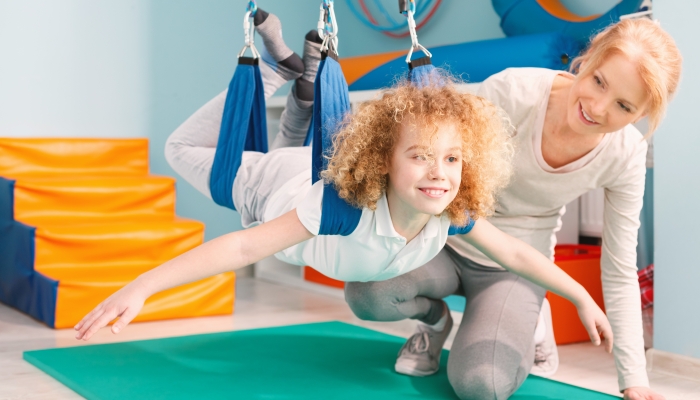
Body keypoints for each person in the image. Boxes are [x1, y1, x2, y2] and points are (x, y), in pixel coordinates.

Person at [73, 11, 613, 368]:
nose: (439, 173)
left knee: (293, 149)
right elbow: (241, 246)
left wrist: (580, 294)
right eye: (420, 156)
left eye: (451, 159)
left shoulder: (449, 208)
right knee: (183, 150)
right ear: (384, 159)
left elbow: (516, 251)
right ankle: (271, 69)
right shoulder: (340, 208)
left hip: (302, 168)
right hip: (271, 191)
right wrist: (143, 286)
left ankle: (299, 84)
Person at [345, 18, 681, 400]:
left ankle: (527, 318)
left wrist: (634, 379)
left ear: (639, 116)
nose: (598, 107)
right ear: (587, 60)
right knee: (367, 292)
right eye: (599, 81)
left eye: (623, 105)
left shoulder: (625, 155)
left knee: (480, 384)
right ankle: (436, 324)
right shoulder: (514, 90)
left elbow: (619, 267)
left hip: (516, 267)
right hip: (446, 240)